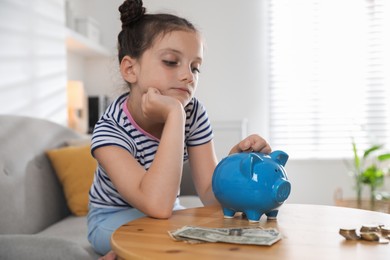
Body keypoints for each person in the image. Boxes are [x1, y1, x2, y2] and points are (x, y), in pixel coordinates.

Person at [87, 0, 271, 259]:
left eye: (195, 66)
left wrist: (235, 165)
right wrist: (174, 115)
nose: (189, 75)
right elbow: (157, 205)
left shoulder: (193, 112)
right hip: (112, 217)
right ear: (130, 69)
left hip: (166, 211)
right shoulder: (110, 130)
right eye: (172, 62)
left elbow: (210, 195)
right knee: (173, 244)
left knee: (211, 237)